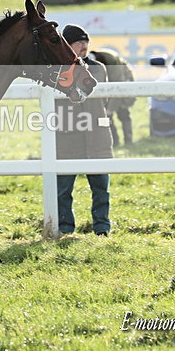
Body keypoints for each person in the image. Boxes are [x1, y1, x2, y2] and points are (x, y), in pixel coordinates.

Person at [55, 25, 113, 236]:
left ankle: (102, 228)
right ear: (67, 45)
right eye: (78, 42)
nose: (84, 46)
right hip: (67, 137)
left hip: (97, 137)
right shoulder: (57, 70)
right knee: (63, 190)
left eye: (85, 42)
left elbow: (105, 100)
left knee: (101, 189)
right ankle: (65, 228)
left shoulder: (97, 68)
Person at [89, 47, 135, 146]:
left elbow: (118, 87)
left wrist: (110, 109)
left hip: (122, 79)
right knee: (106, 115)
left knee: (123, 111)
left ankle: (129, 141)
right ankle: (114, 142)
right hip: (109, 83)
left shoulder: (112, 60)